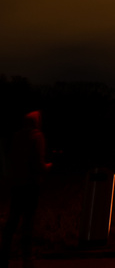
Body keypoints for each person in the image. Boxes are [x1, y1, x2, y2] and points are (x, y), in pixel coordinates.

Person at [0, 112, 51, 268]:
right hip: (30, 184)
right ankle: (27, 258)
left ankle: (4, 254)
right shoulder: (37, 137)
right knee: (28, 222)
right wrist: (48, 167)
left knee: (12, 220)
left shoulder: (16, 137)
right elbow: (38, 164)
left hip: (16, 184)